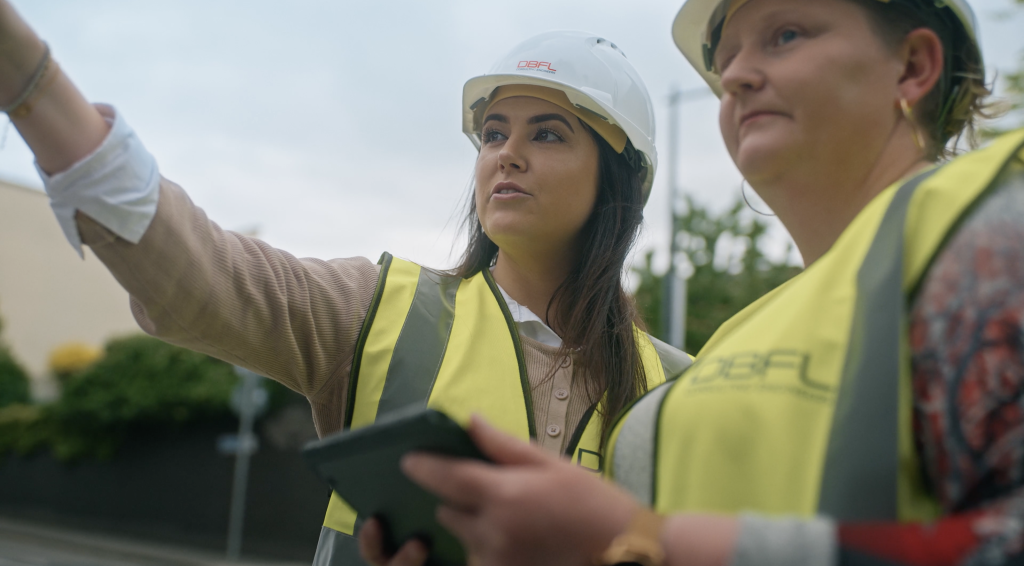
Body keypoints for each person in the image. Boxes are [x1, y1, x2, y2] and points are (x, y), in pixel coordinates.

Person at [0, 3, 692, 564]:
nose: (505, 154)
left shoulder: (682, 389)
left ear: (620, 179)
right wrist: (30, 82)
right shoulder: (378, 311)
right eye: (491, 133)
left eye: (547, 134)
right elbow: (199, 271)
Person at [367, 0, 1024, 565]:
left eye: (786, 35)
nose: (733, 76)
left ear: (912, 67)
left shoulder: (998, 234)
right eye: (725, 57)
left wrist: (639, 539)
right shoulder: (724, 356)